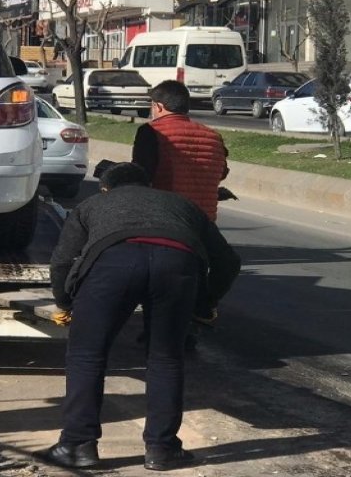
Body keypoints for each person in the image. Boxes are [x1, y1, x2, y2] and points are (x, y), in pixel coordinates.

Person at [41, 162, 240, 472]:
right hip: (178, 265)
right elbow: (228, 261)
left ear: (106, 188)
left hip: (112, 263)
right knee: (166, 358)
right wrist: (204, 304)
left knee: (86, 355)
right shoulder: (181, 204)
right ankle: (162, 450)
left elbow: (62, 261)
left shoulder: (92, 203)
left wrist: (65, 303)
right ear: (149, 185)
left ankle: (78, 446)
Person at [132, 80, 228, 221]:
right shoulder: (214, 137)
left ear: (158, 107)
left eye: (151, 107)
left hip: (166, 219)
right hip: (205, 224)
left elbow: (141, 175)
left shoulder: (151, 131)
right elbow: (221, 173)